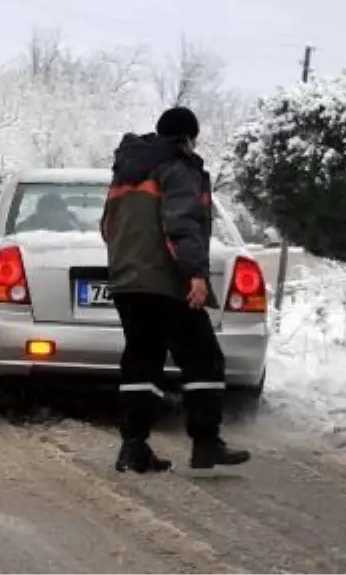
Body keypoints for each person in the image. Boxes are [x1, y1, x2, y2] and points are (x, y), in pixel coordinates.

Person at [100, 106, 251, 474]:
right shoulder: (178, 166)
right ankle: (206, 443)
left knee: (142, 359)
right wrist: (196, 275)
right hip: (167, 281)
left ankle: (134, 447)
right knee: (203, 358)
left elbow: (107, 226)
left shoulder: (127, 170)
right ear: (188, 136)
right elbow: (181, 224)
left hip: (127, 282)